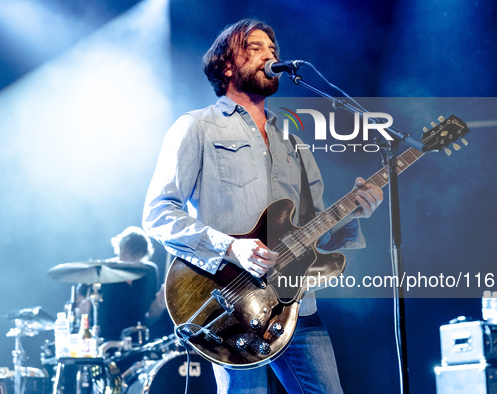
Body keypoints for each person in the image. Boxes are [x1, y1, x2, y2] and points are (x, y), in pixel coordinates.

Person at [142, 19, 383, 393]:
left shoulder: (293, 143)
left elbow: (313, 228)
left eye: (273, 50)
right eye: (254, 48)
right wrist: (233, 247)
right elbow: (158, 214)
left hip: (297, 308)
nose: (270, 55)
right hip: (229, 303)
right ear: (226, 65)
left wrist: (355, 212)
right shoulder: (196, 127)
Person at [76, 226, 160, 341]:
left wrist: (160, 304)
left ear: (140, 255)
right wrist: (83, 307)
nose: (121, 256)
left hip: (139, 337)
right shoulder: (104, 269)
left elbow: (150, 313)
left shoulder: (149, 272)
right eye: (121, 252)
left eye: (126, 255)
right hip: (108, 338)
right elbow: (81, 292)